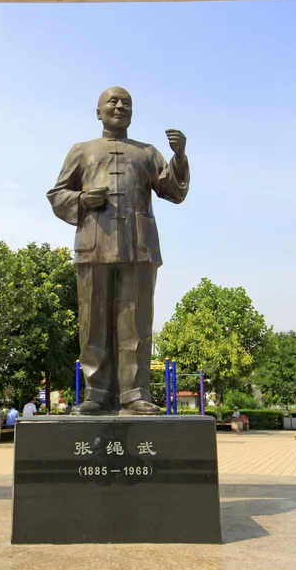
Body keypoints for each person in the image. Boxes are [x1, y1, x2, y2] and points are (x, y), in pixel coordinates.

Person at [47, 86, 190, 415]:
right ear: (98, 112)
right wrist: (82, 200)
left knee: (137, 326)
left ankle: (134, 394)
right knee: (92, 324)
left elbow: (173, 191)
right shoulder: (82, 151)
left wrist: (178, 158)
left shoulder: (147, 152)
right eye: (112, 101)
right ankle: (96, 393)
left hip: (138, 246)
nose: (120, 106)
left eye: (126, 102)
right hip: (93, 244)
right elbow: (57, 195)